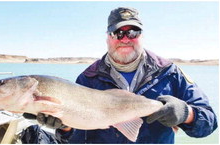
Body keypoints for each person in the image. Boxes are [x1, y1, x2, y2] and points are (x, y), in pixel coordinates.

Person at [23, 7, 218, 143]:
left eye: (132, 32)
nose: (125, 39)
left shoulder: (170, 73)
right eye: (118, 33)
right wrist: (64, 128)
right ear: (108, 37)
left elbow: (209, 122)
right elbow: (74, 140)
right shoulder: (87, 79)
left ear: (142, 36)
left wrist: (186, 114)